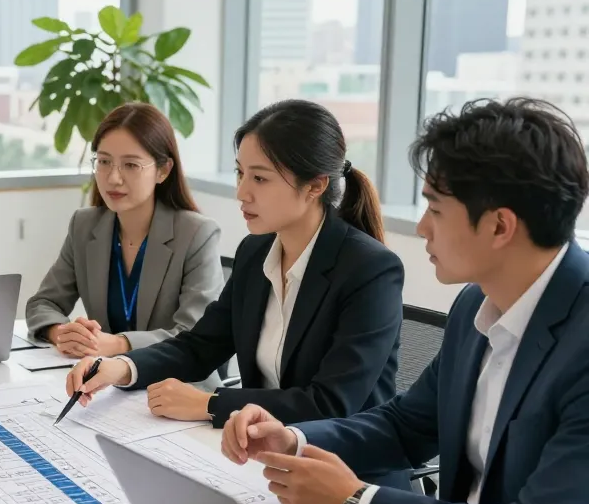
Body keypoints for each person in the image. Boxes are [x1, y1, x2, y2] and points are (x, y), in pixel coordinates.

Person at [221, 98, 589, 504]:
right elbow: (406, 426)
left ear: (500, 227)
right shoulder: (475, 307)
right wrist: (294, 438)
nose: (420, 228)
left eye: (435, 209)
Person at [66, 99, 403, 429]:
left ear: (315, 185)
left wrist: (209, 405)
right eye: (240, 173)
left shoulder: (369, 270)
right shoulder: (255, 252)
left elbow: (330, 403)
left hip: (341, 467)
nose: (241, 192)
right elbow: (200, 346)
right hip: (258, 451)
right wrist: (120, 367)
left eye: (259, 178)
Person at [25, 103, 223, 358]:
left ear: (163, 170)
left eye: (130, 165)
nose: (113, 178)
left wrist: (120, 345)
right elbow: (43, 303)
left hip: (176, 385)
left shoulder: (197, 234)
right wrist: (62, 332)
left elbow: (194, 334)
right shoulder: (84, 226)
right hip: (106, 383)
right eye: (104, 161)